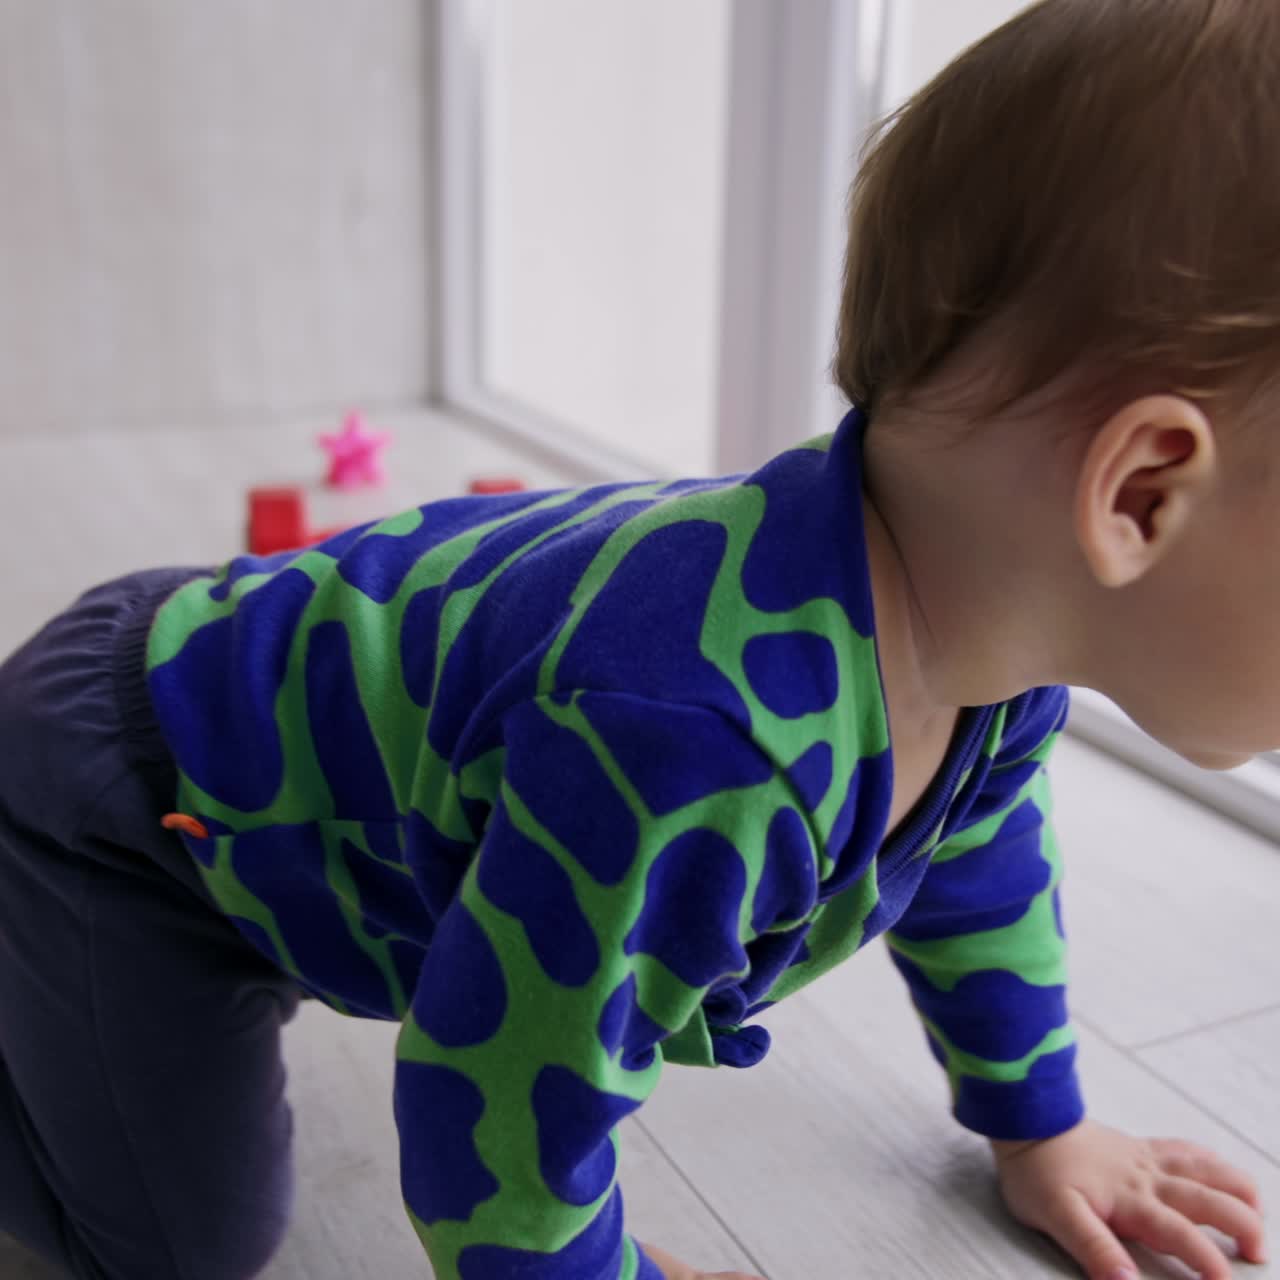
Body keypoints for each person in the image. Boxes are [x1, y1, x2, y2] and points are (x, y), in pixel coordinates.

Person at [0, 1, 1275, 1277]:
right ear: (1139, 492)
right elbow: (497, 1101)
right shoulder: (696, 748)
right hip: (131, 812)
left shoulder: (987, 668)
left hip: (268, 745)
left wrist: (1039, 1120)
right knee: (176, 1244)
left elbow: (977, 869)